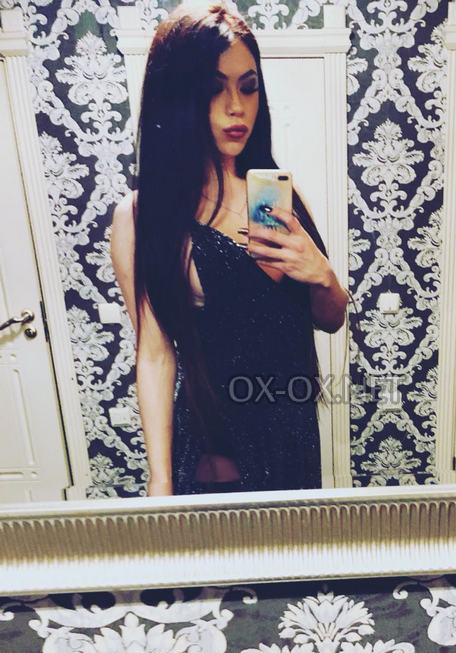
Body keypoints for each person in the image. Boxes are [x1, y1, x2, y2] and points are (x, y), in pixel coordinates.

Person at [110, 2, 348, 497]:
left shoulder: (282, 197)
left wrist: (323, 275)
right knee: (225, 547)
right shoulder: (144, 217)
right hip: (216, 447)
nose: (236, 107)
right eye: (213, 88)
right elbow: (154, 354)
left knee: (290, 543)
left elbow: (330, 319)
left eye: (248, 86)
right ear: (178, 98)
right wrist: (159, 480)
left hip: (294, 433)